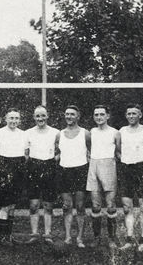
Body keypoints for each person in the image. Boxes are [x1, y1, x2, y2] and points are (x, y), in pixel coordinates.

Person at [119, 103, 143, 251]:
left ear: (140, 115)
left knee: (142, 205)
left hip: (142, 169)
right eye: (129, 114)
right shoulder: (121, 131)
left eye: (134, 113)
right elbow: (117, 149)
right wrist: (123, 159)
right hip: (126, 169)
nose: (131, 116)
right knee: (127, 207)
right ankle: (129, 239)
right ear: (126, 115)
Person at [56, 105, 91, 248]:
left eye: (72, 114)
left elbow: (90, 151)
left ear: (78, 116)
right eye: (67, 114)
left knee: (80, 206)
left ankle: (80, 238)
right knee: (67, 206)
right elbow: (57, 153)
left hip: (81, 170)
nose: (69, 116)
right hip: (65, 171)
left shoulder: (86, 133)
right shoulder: (59, 134)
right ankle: (68, 237)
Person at [87, 105, 121, 248]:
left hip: (109, 165)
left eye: (102, 114)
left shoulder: (115, 132)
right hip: (94, 166)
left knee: (111, 205)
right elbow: (88, 148)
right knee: (95, 205)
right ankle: (97, 238)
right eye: (96, 115)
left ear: (108, 116)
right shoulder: (91, 132)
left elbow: (119, 152)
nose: (99, 117)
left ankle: (112, 239)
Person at [25, 106, 59, 245]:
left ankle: (47, 234)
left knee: (48, 204)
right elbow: (25, 153)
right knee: (33, 204)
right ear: (34, 117)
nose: (40, 119)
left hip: (49, 167)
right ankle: (34, 234)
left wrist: (52, 161)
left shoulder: (56, 132)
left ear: (47, 116)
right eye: (37, 116)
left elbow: (61, 150)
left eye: (43, 115)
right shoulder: (28, 133)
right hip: (33, 168)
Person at [0, 108, 27, 246]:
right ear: (6, 119)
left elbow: (25, 153)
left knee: (13, 205)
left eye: (16, 118)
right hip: (3, 167)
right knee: (5, 205)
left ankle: (9, 235)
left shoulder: (24, 134)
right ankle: (3, 237)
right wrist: (0, 169)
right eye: (11, 118)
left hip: (18, 166)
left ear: (19, 120)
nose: (13, 121)